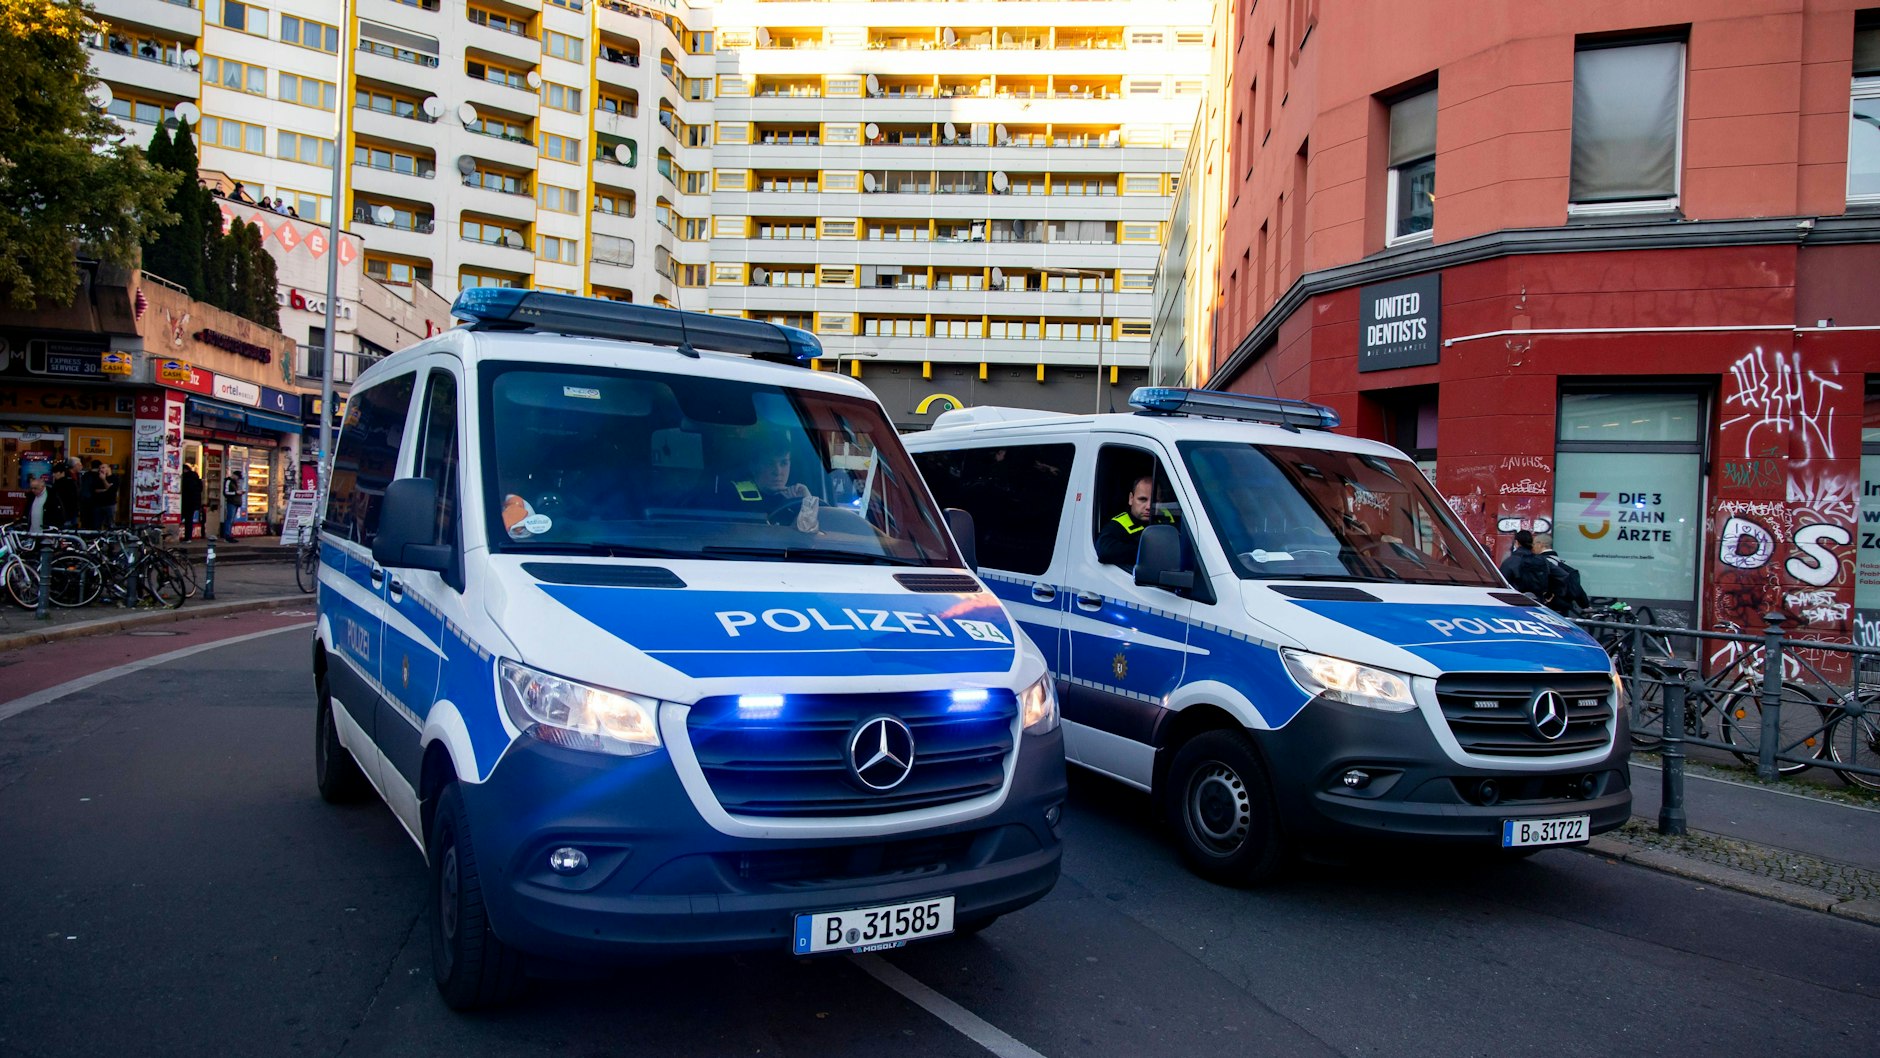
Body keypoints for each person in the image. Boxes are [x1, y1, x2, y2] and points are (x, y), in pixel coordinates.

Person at [715, 428, 819, 532]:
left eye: (784, 463)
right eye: (769, 464)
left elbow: (808, 537)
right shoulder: (732, 493)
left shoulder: (795, 499)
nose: (778, 471)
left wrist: (808, 502)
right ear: (753, 466)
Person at [1097, 475, 1177, 568]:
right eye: (1142, 499)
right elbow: (1105, 551)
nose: (1149, 506)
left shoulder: (1168, 515)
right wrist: (1148, 550)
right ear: (1131, 499)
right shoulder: (1118, 524)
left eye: (1155, 501)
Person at [1532, 531, 1590, 615]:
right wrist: (1585, 605)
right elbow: (1576, 586)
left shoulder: (1541, 562)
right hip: (1564, 607)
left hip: (1547, 606)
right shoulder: (1564, 564)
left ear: (1540, 544)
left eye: (1534, 544)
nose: (1532, 547)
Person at [1498, 528, 1552, 599]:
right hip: (1538, 600)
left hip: (1516, 599)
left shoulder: (1511, 561)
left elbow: (1502, 582)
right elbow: (1561, 575)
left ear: (1516, 542)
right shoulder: (1541, 560)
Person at [50, 461, 81, 529]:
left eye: (55, 473)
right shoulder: (72, 482)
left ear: (62, 472)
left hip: (64, 513)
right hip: (72, 512)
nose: (53, 475)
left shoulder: (58, 484)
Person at [181, 465, 203, 541]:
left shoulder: (186, 478)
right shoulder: (197, 479)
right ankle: (188, 537)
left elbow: (185, 490)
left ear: (184, 470)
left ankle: (186, 537)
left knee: (183, 518)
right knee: (189, 520)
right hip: (194, 503)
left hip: (186, 502)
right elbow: (200, 489)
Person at [94, 461, 119, 529]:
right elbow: (95, 490)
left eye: (103, 467)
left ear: (108, 468)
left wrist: (104, 480)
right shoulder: (97, 478)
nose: (101, 469)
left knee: (110, 524)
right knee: (97, 525)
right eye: (99, 468)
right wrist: (106, 489)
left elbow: (111, 490)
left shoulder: (115, 478)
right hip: (99, 505)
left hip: (110, 504)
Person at [78, 459, 102, 529]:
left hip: (84, 503)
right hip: (96, 503)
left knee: (85, 524)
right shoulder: (99, 476)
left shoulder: (85, 475)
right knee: (95, 525)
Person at [221, 472, 244, 541]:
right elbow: (226, 492)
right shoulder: (228, 481)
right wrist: (235, 493)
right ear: (234, 475)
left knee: (232, 520)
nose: (238, 479)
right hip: (231, 502)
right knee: (229, 519)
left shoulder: (234, 482)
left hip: (236, 502)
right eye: (237, 477)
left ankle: (229, 534)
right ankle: (227, 535)